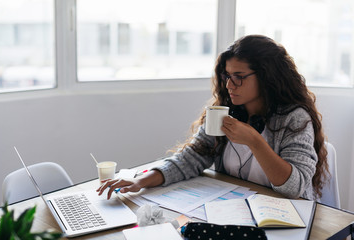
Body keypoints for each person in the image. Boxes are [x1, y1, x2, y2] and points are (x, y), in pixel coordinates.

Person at [97, 34, 328, 201]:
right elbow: (190, 159)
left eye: (239, 76)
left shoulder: (294, 119)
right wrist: (141, 181)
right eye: (227, 76)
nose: (229, 85)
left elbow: (294, 188)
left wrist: (255, 141)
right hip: (234, 210)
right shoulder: (224, 111)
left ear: (267, 76)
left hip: (285, 217)